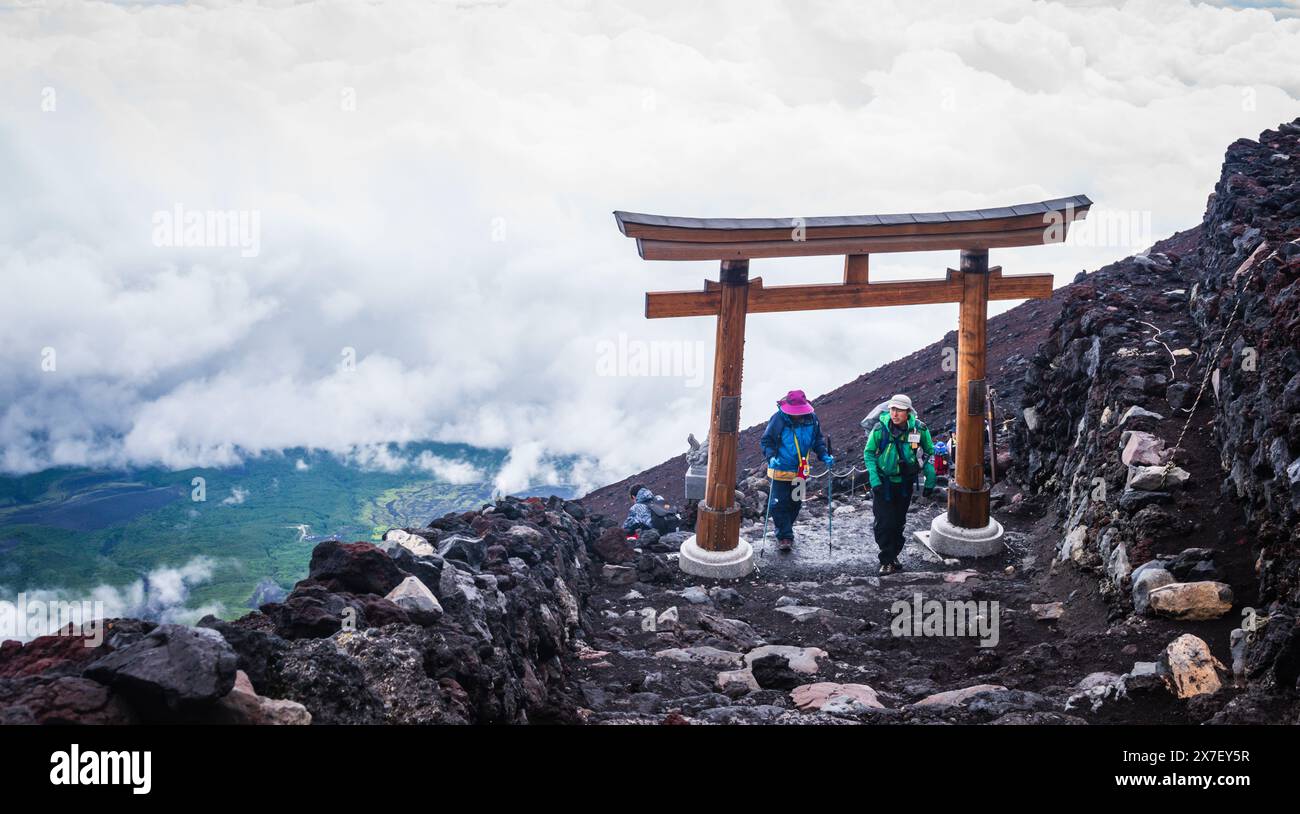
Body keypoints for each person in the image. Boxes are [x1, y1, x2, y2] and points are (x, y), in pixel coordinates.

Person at [864, 393, 935, 575]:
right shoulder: (880, 429)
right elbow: (869, 453)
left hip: (905, 483)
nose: (895, 414)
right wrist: (874, 479)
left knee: (898, 522)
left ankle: (893, 555)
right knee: (883, 523)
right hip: (883, 483)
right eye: (892, 409)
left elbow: (929, 453)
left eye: (899, 410)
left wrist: (930, 477)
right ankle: (886, 559)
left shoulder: (919, 430)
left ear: (908, 412)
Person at [760, 389, 832, 552]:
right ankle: (785, 536)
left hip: (800, 472)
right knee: (778, 504)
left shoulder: (812, 419)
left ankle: (785, 529)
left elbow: (817, 440)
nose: (798, 415)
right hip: (780, 471)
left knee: (795, 504)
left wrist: (824, 455)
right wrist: (771, 457)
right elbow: (767, 441)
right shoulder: (778, 419)